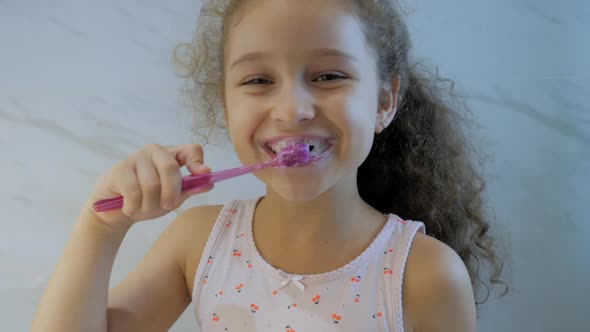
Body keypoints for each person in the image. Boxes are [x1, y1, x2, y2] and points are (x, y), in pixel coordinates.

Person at [32, 0, 506, 331]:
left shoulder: (425, 274)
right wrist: (100, 227)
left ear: (385, 100)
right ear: (226, 103)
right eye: (258, 80)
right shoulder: (198, 243)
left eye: (328, 76)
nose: (291, 110)